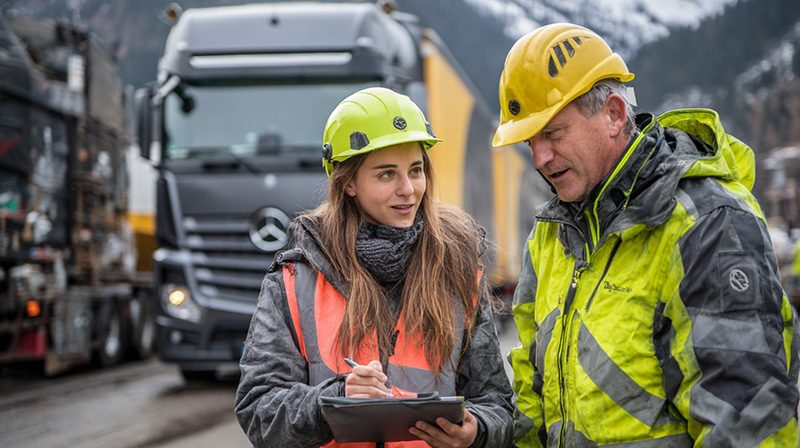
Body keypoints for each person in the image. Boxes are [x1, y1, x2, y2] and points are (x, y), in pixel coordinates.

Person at [492, 23, 799, 447]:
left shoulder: (706, 226)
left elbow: (747, 422)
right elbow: (531, 393)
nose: (540, 157)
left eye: (553, 133)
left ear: (615, 115)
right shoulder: (552, 237)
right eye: (529, 141)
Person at [235, 87, 514, 448]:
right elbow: (259, 410)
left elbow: (498, 407)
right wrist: (333, 401)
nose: (408, 190)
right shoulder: (293, 281)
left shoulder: (459, 271)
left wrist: (477, 433)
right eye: (386, 174)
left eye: (416, 170)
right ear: (348, 182)